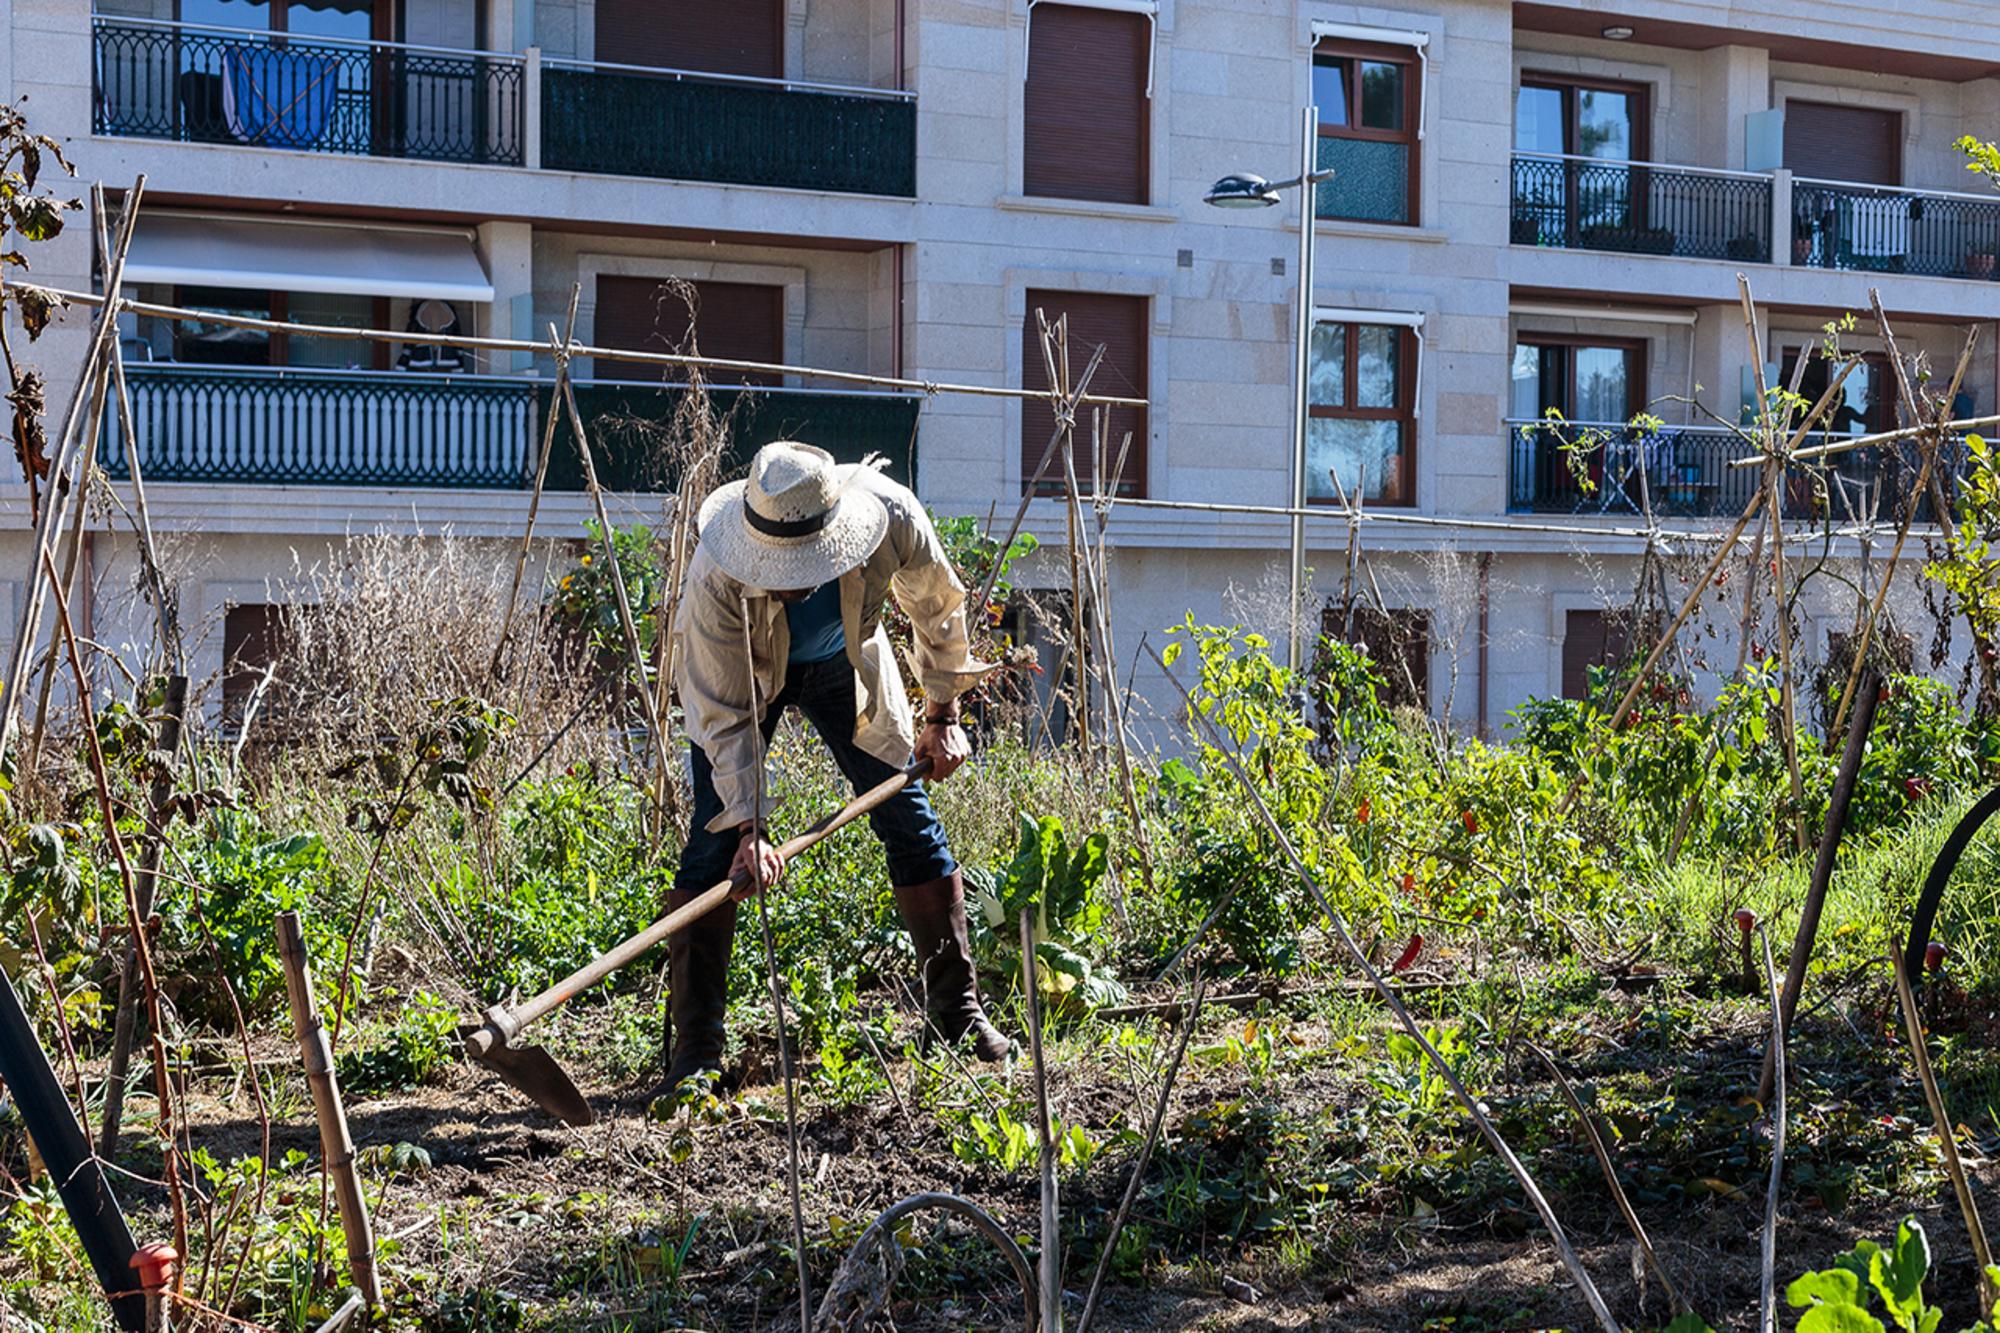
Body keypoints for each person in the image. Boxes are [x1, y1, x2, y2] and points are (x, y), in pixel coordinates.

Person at [664, 440, 1012, 1092]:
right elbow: (722, 715)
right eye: (778, 565)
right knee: (713, 849)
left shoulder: (890, 517)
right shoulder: (717, 575)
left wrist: (943, 715)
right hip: (748, 676)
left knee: (909, 822)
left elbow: (937, 607)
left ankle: (957, 1016)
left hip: (843, 665)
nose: (792, 578)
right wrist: (750, 827)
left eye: (805, 562)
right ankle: (696, 1055)